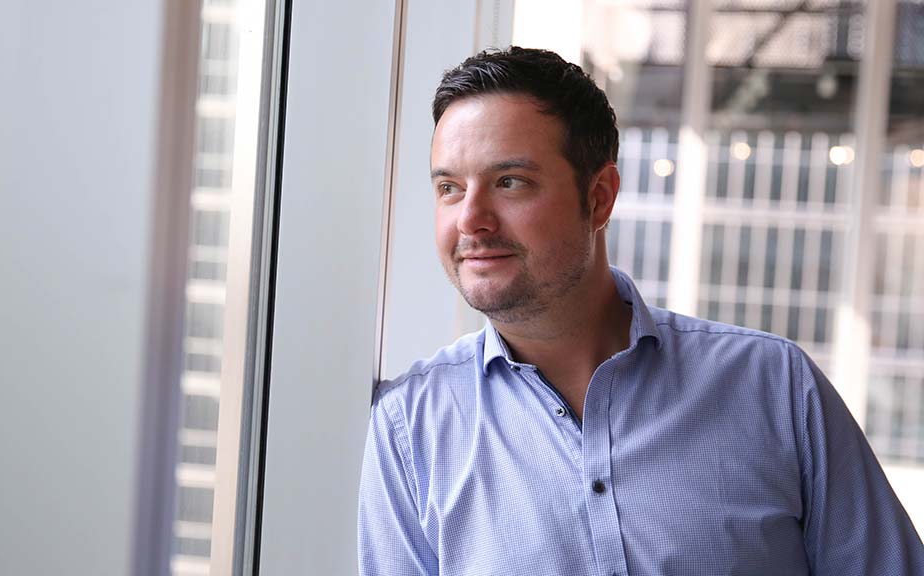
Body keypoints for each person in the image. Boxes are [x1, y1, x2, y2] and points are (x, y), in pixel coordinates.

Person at [358, 46, 924, 575]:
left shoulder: (776, 386)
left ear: (599, 197)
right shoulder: (410, 427)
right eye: (450, 188)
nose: (470, 220)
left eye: (510, 182)